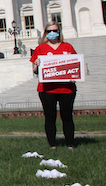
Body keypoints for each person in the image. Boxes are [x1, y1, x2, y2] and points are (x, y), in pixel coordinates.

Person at [31, 22, 77, 150]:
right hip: (47, 89)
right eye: (49, 31)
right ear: (45, 33)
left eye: (55, 30)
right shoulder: (40, 49)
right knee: (50, 116)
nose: (52, 33)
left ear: (59, 31)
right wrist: (37, 64)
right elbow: (35, 71)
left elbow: (75, 65)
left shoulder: (67, 47)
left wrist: (74, 75)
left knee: (67, 116)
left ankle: (70, 144)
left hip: (66, 88)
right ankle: (52, 145)